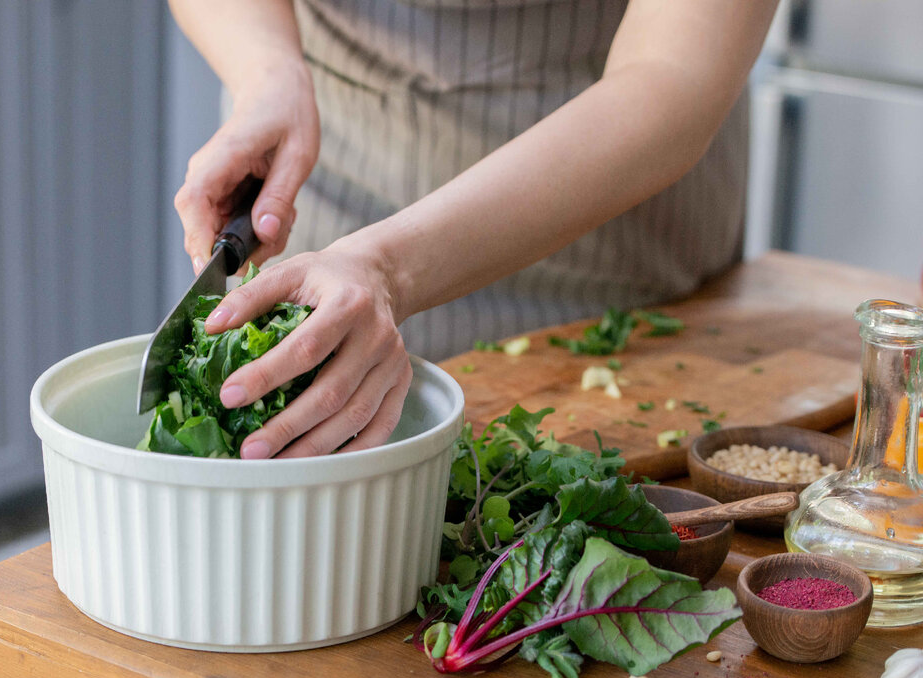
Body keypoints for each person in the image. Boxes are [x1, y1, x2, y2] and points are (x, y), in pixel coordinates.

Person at [169, 0, 778, 459]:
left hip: (609, 246)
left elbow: (674, 74)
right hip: (327, 192)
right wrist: (266, 70)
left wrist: (387, 268)